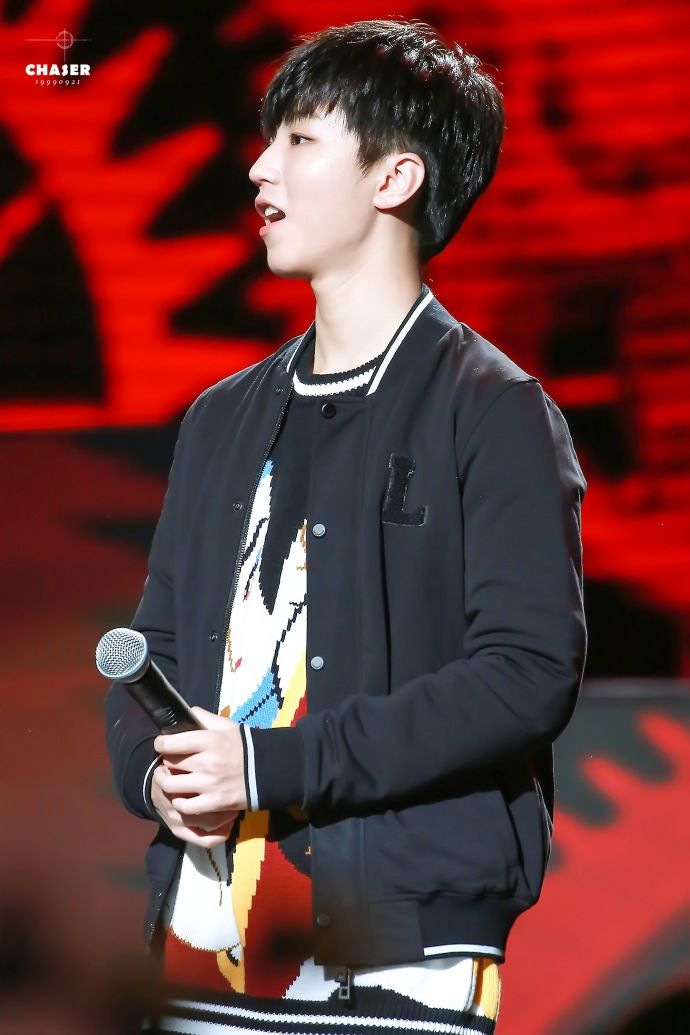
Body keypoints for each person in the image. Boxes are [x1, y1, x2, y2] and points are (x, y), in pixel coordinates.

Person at [104, 17, 587, 1035]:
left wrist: (269, 765)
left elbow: (525, 673)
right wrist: (156, 775)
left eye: (298, 140)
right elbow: (159, 647)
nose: (258, 167)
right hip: (202, 942)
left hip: (399, 955)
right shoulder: (221, 418)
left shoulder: (493, 411)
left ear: (395, 177)